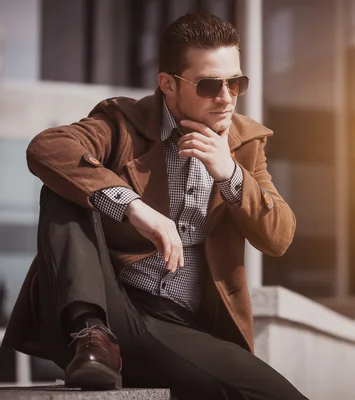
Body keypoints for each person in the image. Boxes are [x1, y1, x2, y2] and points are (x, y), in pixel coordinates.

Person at [2, 12, 306, 400]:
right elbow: (47, 148)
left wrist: (229, 173)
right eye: (211, 84)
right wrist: (133, 207)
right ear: (168, 84)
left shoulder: (245, 145)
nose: (226, 97)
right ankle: (92, 336)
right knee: (65, 183)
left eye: (236, 82)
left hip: (183, 327)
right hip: (113, 308)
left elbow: (279, 236)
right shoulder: (122, 123)